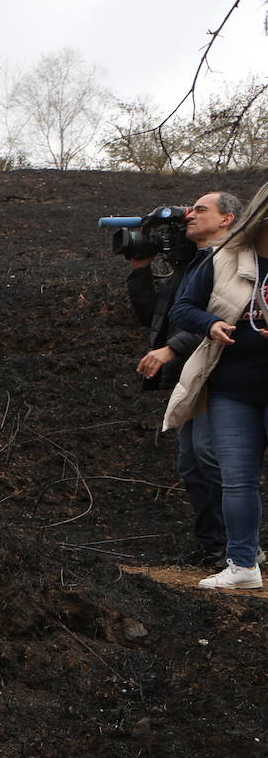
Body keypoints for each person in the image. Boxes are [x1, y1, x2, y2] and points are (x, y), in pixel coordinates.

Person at [165, 182, 268, 588]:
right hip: (232, 389)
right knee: (238, 479)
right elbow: (182, 308)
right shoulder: (224, 257)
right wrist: (212, 324)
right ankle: (243, 566)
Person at [130, 192, 241, 567]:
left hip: (223, 373)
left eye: (201, 210)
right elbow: (158, 317)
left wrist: (171, 350)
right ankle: (215, 549)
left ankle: (241, 548)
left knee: (212, 459)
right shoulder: (194, 264)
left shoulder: (231, 261)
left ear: (226, 219)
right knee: (193, 464)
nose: (190, 216)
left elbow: (224, 316)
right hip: (193, 376)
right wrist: (139, 269)